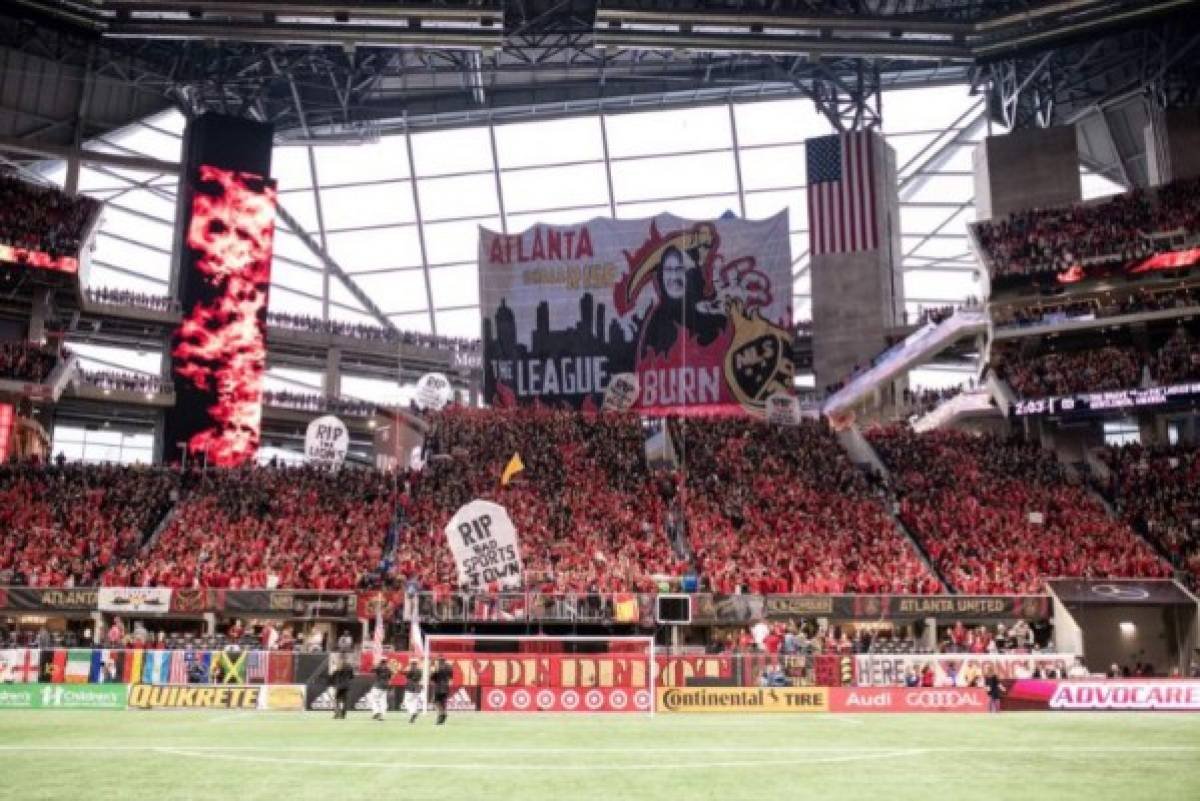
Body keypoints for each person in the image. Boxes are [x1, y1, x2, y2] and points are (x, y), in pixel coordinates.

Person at [330, 656, 355, 720]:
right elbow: (352, 676)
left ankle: (337, 713)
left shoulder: (338, 666)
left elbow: (333, 676)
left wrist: (333, 683)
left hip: (339, 685)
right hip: (346, 686)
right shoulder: (349, 667)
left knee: (337, 700)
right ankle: (343, 715)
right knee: (344, 701)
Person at [369, 657, 393, 721]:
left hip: (377, 686)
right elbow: (390, 678)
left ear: (380, 661)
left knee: (374, 699)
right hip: (385, 686)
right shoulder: (388, 669)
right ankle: (382, 715)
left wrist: (376, 664)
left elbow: (371, 670)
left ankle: (376, 712)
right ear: (386, 662)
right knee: (383, 701)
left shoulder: (378, 667)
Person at [431, 657, 453, 726]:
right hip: (446, 686)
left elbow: (433, 677)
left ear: (439, 661)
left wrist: (432, 672)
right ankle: (442, 716)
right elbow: (451, 677)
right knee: (442, 702)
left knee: (435, 701)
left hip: (439, 687)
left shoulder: (437, 667)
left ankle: (441, 714)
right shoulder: (449, 667)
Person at [403, 659, 424, 724]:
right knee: (414, 702)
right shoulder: (420, 670)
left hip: (410, 687)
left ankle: (413, 713)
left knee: (407, 702)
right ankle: (414, 714)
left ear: (411, 663)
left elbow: (404, 673)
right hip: (417, 687)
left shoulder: (410, 669)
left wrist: (407, 669)